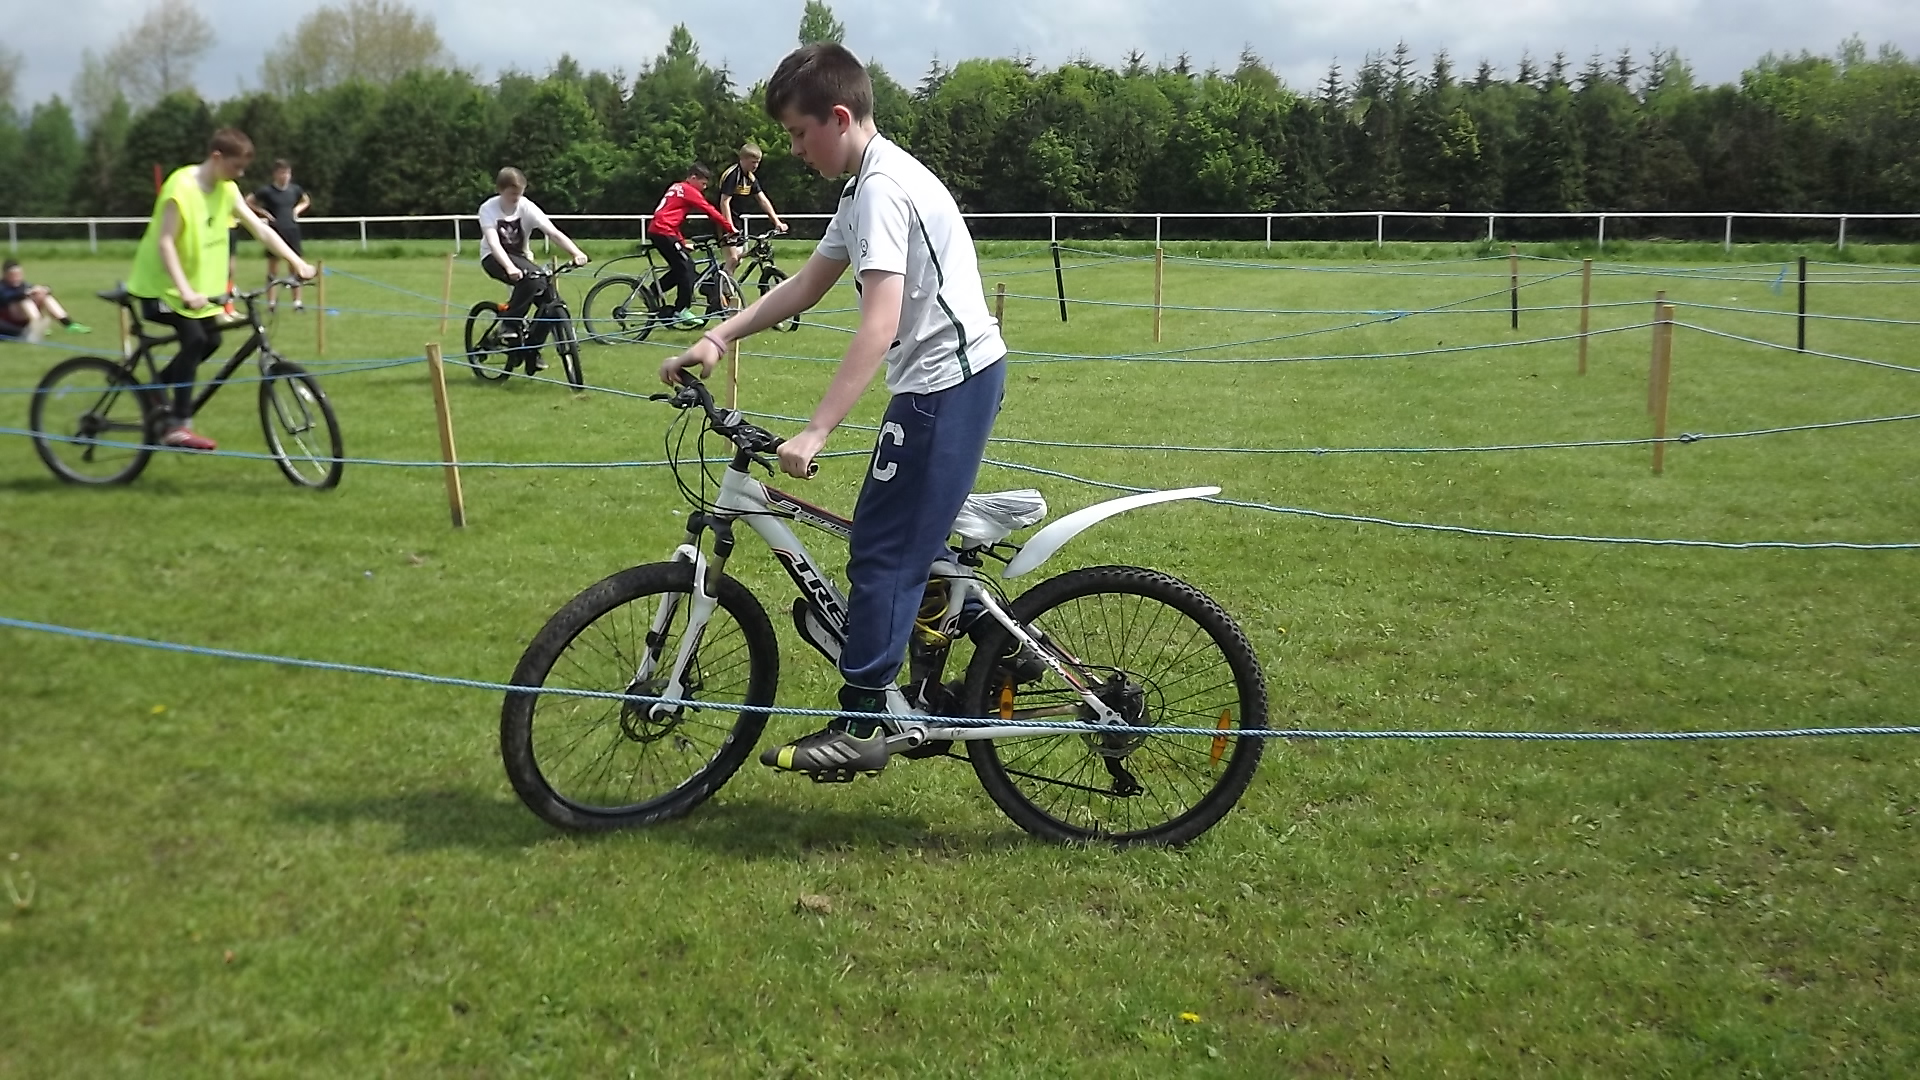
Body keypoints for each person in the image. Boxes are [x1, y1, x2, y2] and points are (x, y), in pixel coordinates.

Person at [660, 43, 1009, 779]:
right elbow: (808, 286)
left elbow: (877, 322)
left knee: (882, 550)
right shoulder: (861, 189)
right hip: (939, 381)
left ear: (840, 117)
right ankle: (993, 643)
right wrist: (718, 334)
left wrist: (817, 428)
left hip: (947, 383)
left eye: (797, 134)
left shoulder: (882, 190)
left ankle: (861, 723)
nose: (791, 151)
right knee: (898, 540)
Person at [126, 128, 314, 451]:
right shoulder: (181, 188)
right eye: (236, 167)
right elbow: (166, 243)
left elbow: (260, 230)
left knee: (211, 339)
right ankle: (178, 425)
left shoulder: (227, 190)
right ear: (217, 158)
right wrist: (185, 290)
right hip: (159, 288)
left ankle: (155, 390)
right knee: (195, 339)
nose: (239, 175)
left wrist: (296, 262)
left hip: (196, 294)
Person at [477, 167, 590, 373]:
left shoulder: (526, 207)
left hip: (520, 258)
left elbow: (552, 232)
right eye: (512, 194)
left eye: (519, 193)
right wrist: (509, 267)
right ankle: (508, 326)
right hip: (494, 258)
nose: (516, 198)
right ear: (500, 190)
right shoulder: (488, 209)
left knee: (550, 299)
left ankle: (532, 349)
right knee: (530, 281)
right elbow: (494, 242)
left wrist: (576, 253)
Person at [646, 163, 735, 331]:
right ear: (693, 178)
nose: (704, 187)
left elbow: (670, 216)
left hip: (659, 230)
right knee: (688, 267)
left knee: (681, 267)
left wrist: (682, 242)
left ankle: (652, 292)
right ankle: (681, 309)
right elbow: (709, 210)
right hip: (664, 231)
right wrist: (730, 228)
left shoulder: (676, 187)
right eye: (702, 183)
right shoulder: (689, 190)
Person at [245, 159, 311, 311]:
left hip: (292, 230)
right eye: (282, 172)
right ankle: (272, 303)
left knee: (295, 267)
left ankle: (297, 302)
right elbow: (248, 201)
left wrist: (297, 210)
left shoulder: (295, 189)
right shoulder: (267, 191)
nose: (285, 176)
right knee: (273, 270)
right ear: (275, 174)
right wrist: (263, 213)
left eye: (287, 173)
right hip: (275, 232)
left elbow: (306, 200)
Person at [716, 143, 788, 273]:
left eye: (758, 162)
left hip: (736, 219)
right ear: (742, 159)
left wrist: (777, 222)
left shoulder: (750, 177)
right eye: (753, 162)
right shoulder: (733, 175)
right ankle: (723, 292)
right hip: (723, 220)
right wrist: (729, 227)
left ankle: (716, 281)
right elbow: (724, 202)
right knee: (732, 259)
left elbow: (762, 200)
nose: (755, 166)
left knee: (738, 259)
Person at [0, 260, 91, 340]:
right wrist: (26, 294)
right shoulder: (2, 286)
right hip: (11, 318)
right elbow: (6, 298)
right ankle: (38, 325)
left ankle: (69, 324)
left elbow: (35, 290)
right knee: (25, 300)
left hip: (24, 317)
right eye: (13, 275)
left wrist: (43, 290)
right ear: (5, 275)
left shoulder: (23, 284)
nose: (17, 277)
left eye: (19, 274)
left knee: (45, 296)